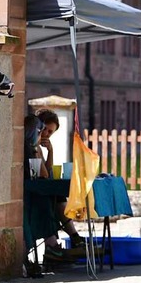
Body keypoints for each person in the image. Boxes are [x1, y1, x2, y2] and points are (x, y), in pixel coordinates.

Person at [35, 109, 86, 258]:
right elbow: (44, 173)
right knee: (53, 200)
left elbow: (48, 170)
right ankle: (65, 240)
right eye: (45, 129)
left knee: (59, 197)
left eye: (50, 133)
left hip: (42, 188)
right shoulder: (32, 143)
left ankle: (72, 237)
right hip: (32, 193)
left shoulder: (38, 146)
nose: (46, 134)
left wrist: (50, 150)